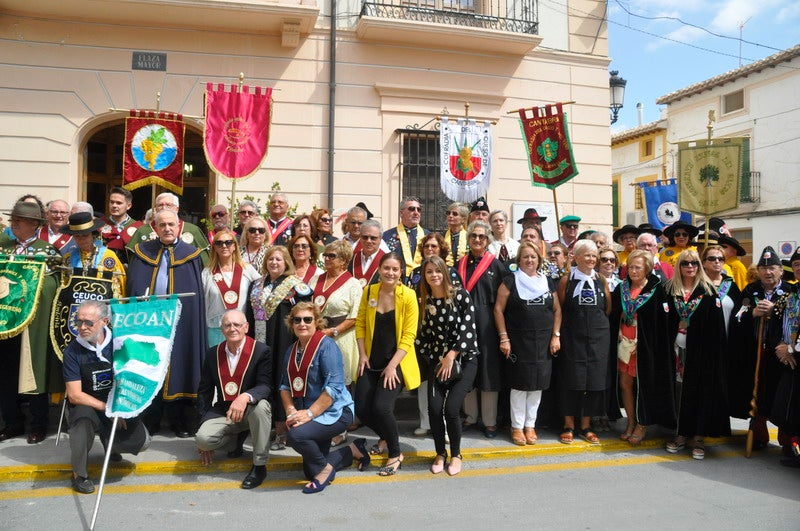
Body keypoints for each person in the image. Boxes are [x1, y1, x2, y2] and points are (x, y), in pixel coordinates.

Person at [128, 209, 207, 438]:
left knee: (180, 365)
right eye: (162, 225)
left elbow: (196, 296)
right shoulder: (142, 253)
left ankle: (180, 420)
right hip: (149, 322)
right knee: (149, 364)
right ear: (155, 227)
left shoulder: (191, 255)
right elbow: (133, 287)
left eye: (171, 224)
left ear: (179, 226)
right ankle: (149, 419)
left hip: (180, 321)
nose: (167, 229)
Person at [63, 300, 150, 494]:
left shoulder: (120, 342)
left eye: (88, 322)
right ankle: (79, 474)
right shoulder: (72, 351)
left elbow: (134, 375)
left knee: (140, 442)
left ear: (104, 322)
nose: (82, 327)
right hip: (88, 404)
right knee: (82, 420)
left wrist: (122, 408)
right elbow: (75, 395)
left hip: (116, 401)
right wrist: (106, 409)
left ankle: (110, 444)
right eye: (79, 322)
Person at [280, 302, 364, 494]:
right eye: (297, 320)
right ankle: (352, 450)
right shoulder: (291, 351)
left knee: (295, 436)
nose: (302, 323)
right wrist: (291, 410)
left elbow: (334, 389)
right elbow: (284, 386)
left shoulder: (327, 347)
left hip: (335, 412)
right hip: (309, 412)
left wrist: (308, 414)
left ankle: (325, 469)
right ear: (291, 324)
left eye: (307, 319)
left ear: (316, 322)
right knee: (310, 471)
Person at [0, 200, 61, 444]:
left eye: (20, 220)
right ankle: (12, 422)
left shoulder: (48, 252)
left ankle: (39, 424)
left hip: (33, 324)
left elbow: (53, 287)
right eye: (13, 219)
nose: (13, 223)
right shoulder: (4, 249)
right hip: (5, 323)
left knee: (34, 372)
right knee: (6, 374)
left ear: (34, 224)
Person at [355, 253, 420, 476]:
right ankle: (385, 436)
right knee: (362, 409)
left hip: (397, 362)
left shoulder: (408, 296)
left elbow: (409, 335)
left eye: (395, 269)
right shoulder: (370, 292)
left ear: (401, 271)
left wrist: (392, 366)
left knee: (382, 407)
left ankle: (395, 453)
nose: (390, 273)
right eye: (386, 268)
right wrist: (362, 355)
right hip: (370, 361)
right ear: (380, 269)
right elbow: (360, 325)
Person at [196, 309, 273, 489]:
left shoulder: (261, 351)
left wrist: (244, 397)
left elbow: (265, 386)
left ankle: (259, 466)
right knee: (203, 440)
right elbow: (204, 391)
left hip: (251, 410)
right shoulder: (212, 353)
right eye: (227, 325)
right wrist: (201, 425)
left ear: (246, 327)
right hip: (224, 411)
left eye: (237, 324)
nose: (232, 329)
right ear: (222, 329)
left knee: (262, 407)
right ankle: (236, 440)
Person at [494, 242, 562, 446]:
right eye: (525, 257)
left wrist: (556, 335)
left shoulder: (548, 282)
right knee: (519, 386)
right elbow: (498, 310)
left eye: (533, 257)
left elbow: (557, 310)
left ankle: (530, 426)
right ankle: (516, 427)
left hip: (543, 342)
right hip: (518, 342)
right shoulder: (509, 281)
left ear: (539, 260)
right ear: (519, 260)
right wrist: (504, 338)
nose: (529, 260)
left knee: (537, 386)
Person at [664, 249, 730, 459]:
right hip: (675, 352)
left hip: (702, 353)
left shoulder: (708, 291)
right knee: (679, 392)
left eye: (694, 263)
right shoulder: (669, 290)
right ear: (679, 266)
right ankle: (681, 434)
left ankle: (698, 437)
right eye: (685, 263)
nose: (690, 267)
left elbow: (717, 328)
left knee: (700, 391)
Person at [416, 256, 479, 475]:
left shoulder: (460, 296)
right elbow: (422, 336)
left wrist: (451, 354)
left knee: (452, 409)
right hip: (438, 363)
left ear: (445, 272)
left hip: (463, 360)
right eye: (429, 271)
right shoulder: (426, 301)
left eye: (438, 271)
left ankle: (456, 454)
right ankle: (440, 453)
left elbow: (469, 329)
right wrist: (432, 358)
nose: (434, 275)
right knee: (434, 409)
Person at [248, 244, 311, 450]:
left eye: (278, 259)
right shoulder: (256, 284)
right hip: (259, 342)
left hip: (284, 343)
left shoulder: (296, 287)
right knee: (260, 380)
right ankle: (262, 428)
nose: (274, 263)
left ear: (286, 263)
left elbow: (306, 316)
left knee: (281, 383)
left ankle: (283, 431)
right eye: (270, 259)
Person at [609, 250, 676, 446]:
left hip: (645, 347)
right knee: (625, 385)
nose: (633, 270)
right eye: (630, 267)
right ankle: (630, 422)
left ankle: (642, 423)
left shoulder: (657, 289)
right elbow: (613, 313)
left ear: (647, 269)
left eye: (637, 267)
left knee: (644, 386)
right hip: (624, 345)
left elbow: (662, 322)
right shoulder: (621, 289)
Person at [405, 231, 460, 437]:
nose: (430, 249)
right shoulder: (416, 273)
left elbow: (457, 302)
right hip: (421, 333)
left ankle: (443, 425)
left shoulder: (450, 272)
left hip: (445, 334)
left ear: (442, 249)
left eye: (434, 246)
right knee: (424, 380)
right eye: (426, 246)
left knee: (443, 381)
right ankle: (426, 421)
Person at [556, 239, 610, 445]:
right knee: (571, 380)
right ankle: (569, 424)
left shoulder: (601, 280)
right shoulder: (566, 281)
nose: (591, 259)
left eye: (594, 255)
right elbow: (559, 308)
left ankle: (585, 426)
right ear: (575, 257)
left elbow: (607, 308)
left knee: (592, 382)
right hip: (572, 337)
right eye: (586, 255)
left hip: (597, 338)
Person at [740, 246, 794, 450]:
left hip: (782, 353)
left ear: (781, 270)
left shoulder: (790, 292)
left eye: (772, 268)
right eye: (763, 268)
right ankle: (759, 434)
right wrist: (753, 312)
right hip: (756, 352)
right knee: (756, 391)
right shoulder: (750, 290)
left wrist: (775, 311)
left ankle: (788, 440)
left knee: (782, 394)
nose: (768, 272)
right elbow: (739, 315)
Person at [310, 240, 362, 447]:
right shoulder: (317, 279)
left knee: (340, 385)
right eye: (326, 255)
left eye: (331, 256)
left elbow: (355, 316)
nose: (326, 259)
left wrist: (332, 331)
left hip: (341, 336)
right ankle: (320, 423)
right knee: (320, 382)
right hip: (317, 337)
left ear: (344, 260)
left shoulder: (353, 284)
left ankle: (340, 428)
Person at [459, 220, 506, 438]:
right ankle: (470, 416)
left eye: (481, 236)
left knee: (488, 372)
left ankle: (489, 421)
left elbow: (503, 302)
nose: (477, 240)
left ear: (488, 240)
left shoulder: (497, 267)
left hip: (488, 328)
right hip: (463, 327)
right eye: (473, 236)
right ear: (468, 239)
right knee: (467, 370)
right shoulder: (460, 265)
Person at [202, 230, 260, 347]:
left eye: (228, 242)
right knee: (218, 363)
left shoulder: (247, 269)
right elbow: (202, 302)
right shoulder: (207, 273)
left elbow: (260, 291)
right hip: (216, 328)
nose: (224, 246)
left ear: (234, 246)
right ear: (215, 248)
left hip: (240, 328)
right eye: (219, 243)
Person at [127, 192, 210, 263]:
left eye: (168, 205)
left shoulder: (192, 230)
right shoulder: (142, 231)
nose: (164, 208)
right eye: (160, 205)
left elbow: (204, 261)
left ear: (177, 209)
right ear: (155, 209)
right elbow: (133, 262)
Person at [61, 211, 126, 298]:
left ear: (92, 234)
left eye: (85, 235)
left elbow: (119, 286)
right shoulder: (68, 258)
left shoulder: (108, 256)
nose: (81, 239)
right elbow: (64, 286)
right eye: (77, 236)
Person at [382, 197, 429, 277]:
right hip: (395, 280)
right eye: (412, 209)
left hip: (422, 281)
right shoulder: (387, 236)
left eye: (419, 209)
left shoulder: (428, 236)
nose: (416, 212)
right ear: (401, 213)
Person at [99, 187, 143, 265]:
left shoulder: (139, 228)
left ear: (128, 206)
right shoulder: (99, 225)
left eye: (119, 203)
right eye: (111, 202)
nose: (114, 205)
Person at [348, 219, 384, 287]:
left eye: (373, 238)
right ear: (360, 238)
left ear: (380, 239)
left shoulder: (386, 261)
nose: (368, 241)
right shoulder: (351, 259)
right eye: (365, 237)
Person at [443, 202, 468, 267]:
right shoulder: (441, 237)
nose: (450, 216)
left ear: (463, 219)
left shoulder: (468, 237)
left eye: (454, 214)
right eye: (448, 213)